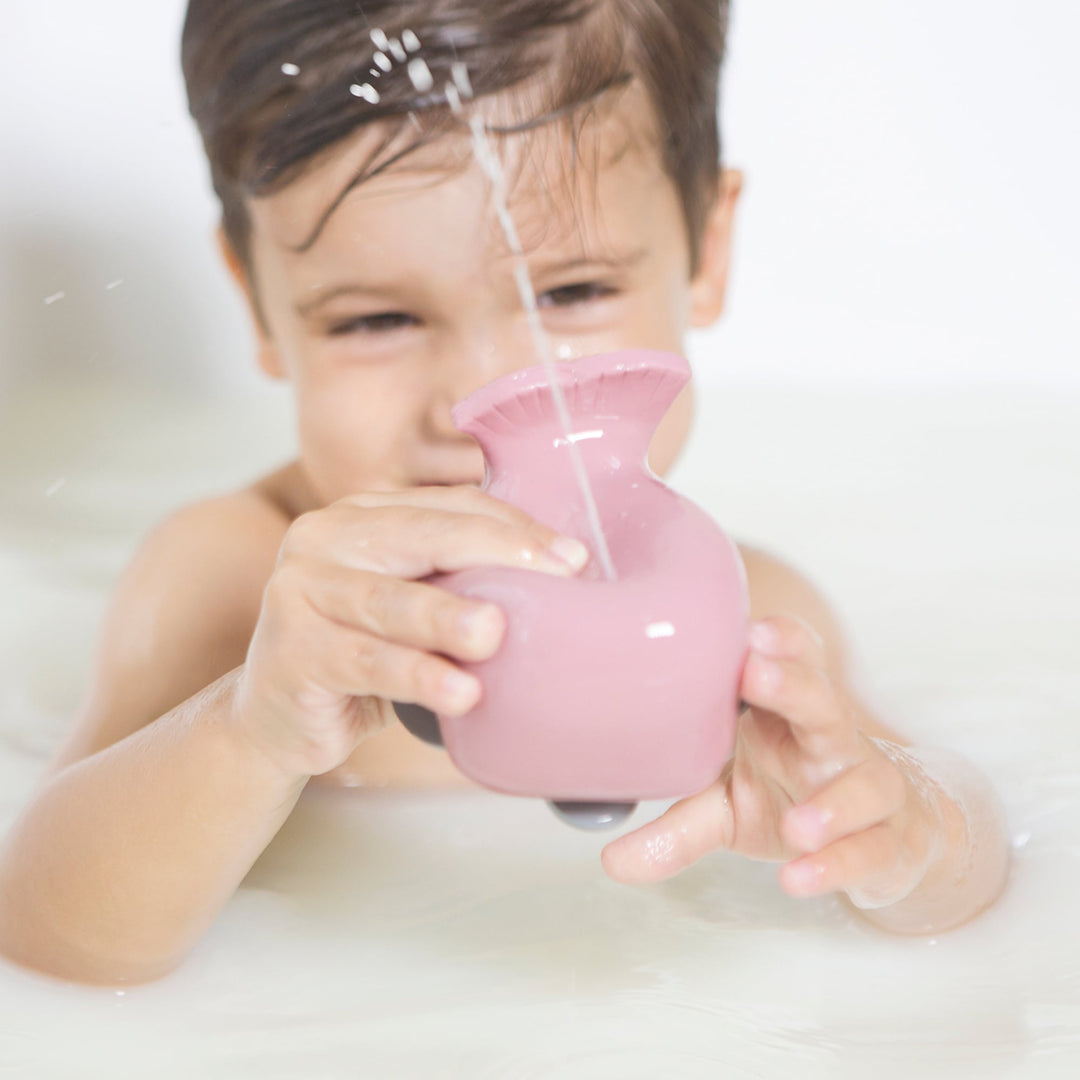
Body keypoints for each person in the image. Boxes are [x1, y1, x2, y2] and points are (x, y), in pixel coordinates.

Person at [0, 0, 1009, 985]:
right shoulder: (233, 582)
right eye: (376, 320)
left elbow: (957, 858)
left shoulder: (754, 614)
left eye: (572, 292)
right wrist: (252, 729)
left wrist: (902, 838)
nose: (478, 403)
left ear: (708, 248)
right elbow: (47, 932)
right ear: (259, 305)